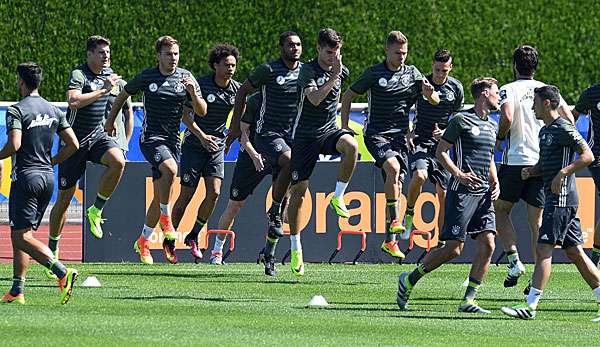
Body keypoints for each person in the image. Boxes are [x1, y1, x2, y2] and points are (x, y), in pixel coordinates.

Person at [396, 77, 500, 314]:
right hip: (461, 192)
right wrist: (459, 174)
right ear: (484, 93)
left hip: (483, 193)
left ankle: (469, 300)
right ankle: (409, 279)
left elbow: (490, 156)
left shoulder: (492, 125)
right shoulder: (461, 120)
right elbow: (441, 151)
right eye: (496, 92)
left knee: (488, 244)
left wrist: (495, 181)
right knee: (454, 249)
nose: (498, 97)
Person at [501, 86, 600, 322]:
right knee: (575, 252)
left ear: (546, 103)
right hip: (556, 198)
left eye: (535, 102)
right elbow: (547, 164)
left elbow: (588, 156)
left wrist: (563, 173)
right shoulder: (545, 130)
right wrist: (532, 171)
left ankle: (530, 306)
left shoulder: (564, 127)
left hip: (562, 200)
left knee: (544, 249)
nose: (532, 106)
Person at [105, 36, 206, 264]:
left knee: (161, 195)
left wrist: (193, 93)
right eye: (169, 54)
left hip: (173, 142)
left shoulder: (186, 77)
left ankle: (143, 241)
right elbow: (123, 94)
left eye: (176, 54)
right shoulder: (147, 76)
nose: (174, 58)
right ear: (158, 56)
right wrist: (111, 121)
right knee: (170, 169)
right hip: (150, 138)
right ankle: (167, 220)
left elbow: (201, 111)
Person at [340, 31, 439, 260]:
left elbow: (435, 100)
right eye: (397, 53)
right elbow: (348, 96)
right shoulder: (374, 73)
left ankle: (390, 242)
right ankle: (396, 220)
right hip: (376, 134)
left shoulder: (412, 73)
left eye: (404, 53)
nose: (402, 57)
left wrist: (430, 94)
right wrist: (344, 126)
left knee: (394, 181)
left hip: (400, 138)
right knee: (393, 169)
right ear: (387, 50)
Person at [494, 45, 573, 288]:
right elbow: (569, 119)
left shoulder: (508, 89)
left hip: (515, 162)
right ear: (535, 66)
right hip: (541, 163)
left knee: (500, 210)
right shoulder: (546, 90)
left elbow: (506, 117)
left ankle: (514, 259)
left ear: (514, 65)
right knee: (536, 222)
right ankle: (536, 277)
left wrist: (500, 137)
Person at [1, 62, 79, 304]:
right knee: (22, 232)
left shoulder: (17, 110)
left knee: (20, 237)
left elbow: (14, 145)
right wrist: (52, 161)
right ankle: (17, 290)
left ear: (21, 82)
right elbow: (73, 144)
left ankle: (62, 272)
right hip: (47, 178)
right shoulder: (53, 110)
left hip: (26, 177)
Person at [48, 36, 126, 272]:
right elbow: (72, 101)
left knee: (118, 162)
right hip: (73, 143)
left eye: (108, 52)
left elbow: (122, 98)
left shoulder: (109, 75)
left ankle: (96, 209)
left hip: (97, 136)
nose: (106, 56)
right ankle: (52, 250)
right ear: (90, 54)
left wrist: (113, 119)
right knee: (63, 200)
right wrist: (103, 90)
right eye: (102, 52)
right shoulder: (79, 74)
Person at [226, 31, 302, 267]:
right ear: (281, 47)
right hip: (267, 136)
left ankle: (268, 254)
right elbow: (241, 91)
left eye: (299, 45)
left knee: (286, 199)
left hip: (293, 137)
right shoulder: (268, 71)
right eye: (290, 45)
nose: (295, 48)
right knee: (288, 161)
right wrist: (235, 129)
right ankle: (218, 249)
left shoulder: (306, 72)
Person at [287, 28, 358, 276]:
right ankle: (296, 247)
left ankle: (338, 196)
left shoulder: (341, 69)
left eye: (336, 52)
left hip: (329, 131)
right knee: (299, 194)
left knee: (351, 147)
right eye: (329, 52)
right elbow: (315, 99)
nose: (333, 57)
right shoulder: (307, 70)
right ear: (318, 49)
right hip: (305, 137)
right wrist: (334, 77)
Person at [170, 44, 241, 263]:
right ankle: (169, 238)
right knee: (186, 195)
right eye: (226, 65)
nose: (230, 69)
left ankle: (193, 235)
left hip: (216, 146)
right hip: (194, 144)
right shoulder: (200, 85)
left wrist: (229, 139)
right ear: (215, 65)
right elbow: (185, 115)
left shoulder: (237, 90)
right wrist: (202, 136)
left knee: (215, 192)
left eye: (233, 65)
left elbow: (240, 117)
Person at [216, 92, 287, 275]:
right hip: (251, 156)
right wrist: (254, 155)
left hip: (278, 155)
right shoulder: (255, 100)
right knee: (235, 204)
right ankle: (217, 251)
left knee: (281, 208)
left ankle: (269, 253)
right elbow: (243, 133)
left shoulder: (292, 98)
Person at [404, 49, 463, 240]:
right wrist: (408, 132)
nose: (440, 75)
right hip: (420, 141)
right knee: (419, 176)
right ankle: (409, 213)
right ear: (432, 66)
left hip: (442, 147)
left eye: (444, 71)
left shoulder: (456, 88)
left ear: (450, 68)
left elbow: (458, 119)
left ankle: (440, 240)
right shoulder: (421, 85)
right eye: (437, 70)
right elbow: (402, 108)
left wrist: (446, 133)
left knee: (443, 195)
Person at [572, 83, 600, 267]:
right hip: (598, 156)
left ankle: (595, 257)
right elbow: (572, 116)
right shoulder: (592, 93)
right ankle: (595, 257)